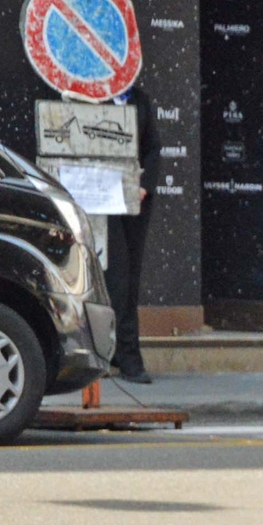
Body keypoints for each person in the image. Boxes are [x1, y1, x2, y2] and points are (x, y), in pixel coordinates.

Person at [106, 82, 157, 382]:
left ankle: (127, 355)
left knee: (130, 278)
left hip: (133, 199)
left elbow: (153, 148)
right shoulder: (89, 97)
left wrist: (144, 185)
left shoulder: (140, 98)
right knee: (116, 277)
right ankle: (121, 354)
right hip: (100, 199)